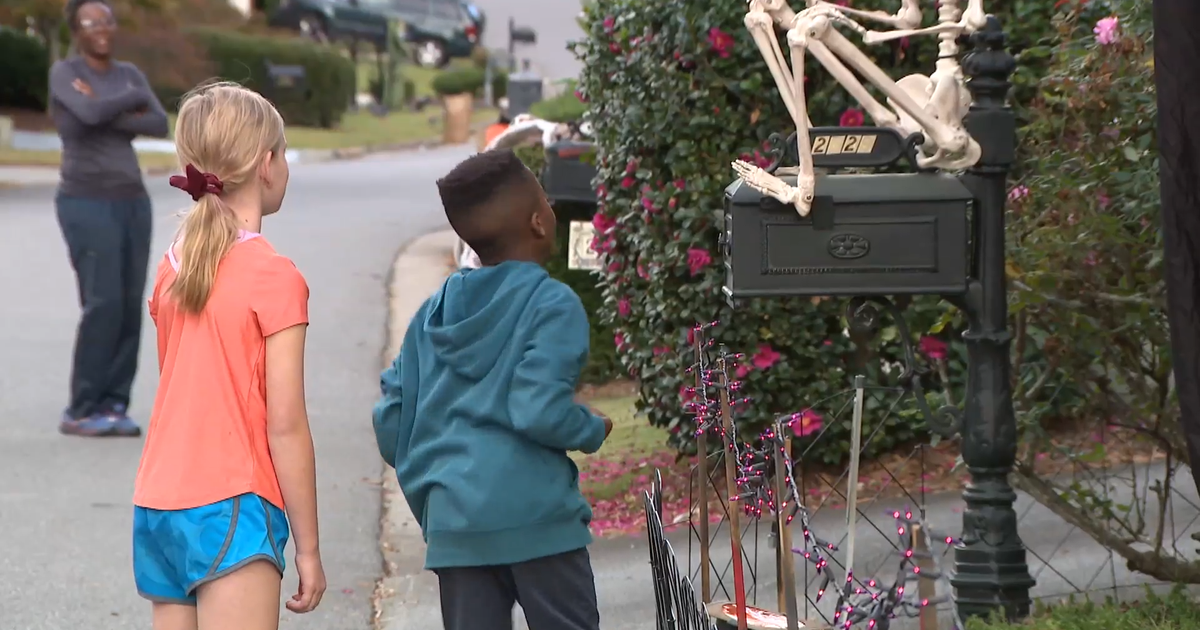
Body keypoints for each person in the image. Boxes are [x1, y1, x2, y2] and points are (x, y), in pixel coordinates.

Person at [373, 149, 613, 630]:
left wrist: (439, 489)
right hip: (537, 522)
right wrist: (591, 427)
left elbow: (391, 420)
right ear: (539, 222)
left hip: (456, 527)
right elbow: (536, 408)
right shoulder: (551, 303)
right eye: (545, 199)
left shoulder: (434, 312)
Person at [131, 82, 326, 630]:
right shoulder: (274, 277)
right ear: (266, 164)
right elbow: (285, 426)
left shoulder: (173, 268)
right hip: (231, 504)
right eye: (283, 153)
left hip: (157, 503)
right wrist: (308, 549)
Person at [50, 0, 170, 437]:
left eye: (106, 20)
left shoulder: (129, 74)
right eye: (90, 22)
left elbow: (158, 122)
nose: (101, 28)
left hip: (132, 201)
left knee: (130, 304)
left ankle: (115, 403)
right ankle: (82, 407)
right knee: (103, 303)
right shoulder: (65, 74)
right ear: (76, 31)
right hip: (86, 200)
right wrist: (125, 108)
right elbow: (86, 114)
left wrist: (110, 104)